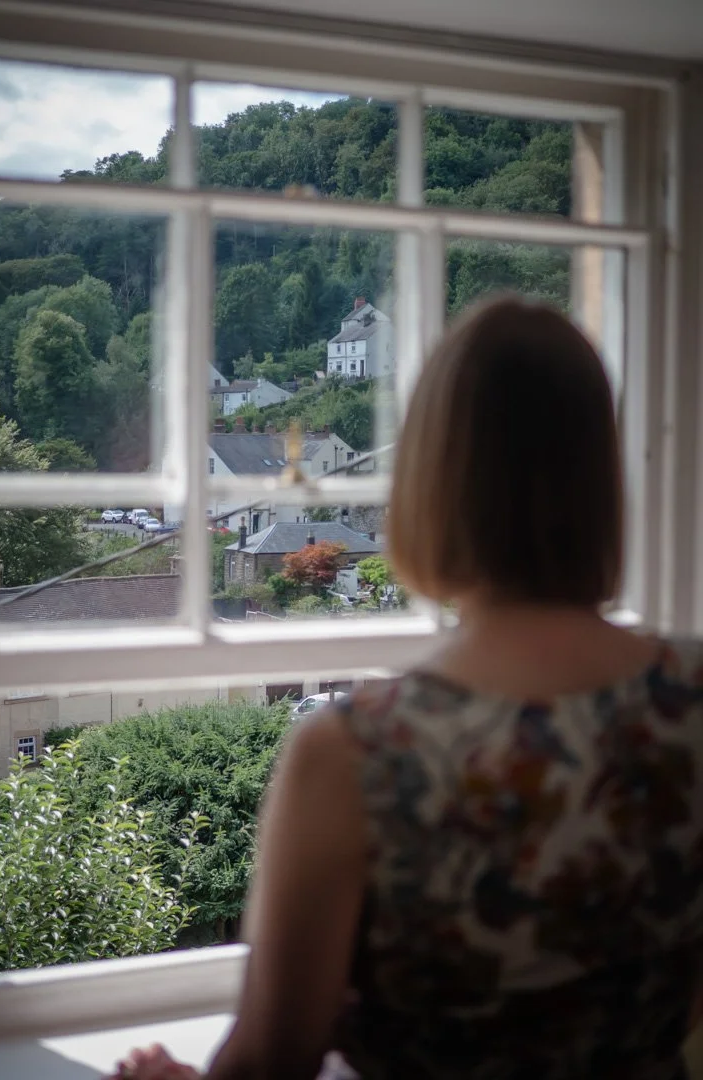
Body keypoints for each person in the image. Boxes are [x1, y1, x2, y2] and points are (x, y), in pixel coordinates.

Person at [112, 296, 703, 1080]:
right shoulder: (689, 697)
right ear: (603, 479)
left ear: (432, 483)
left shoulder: (357, 751)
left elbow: (271, 1060)